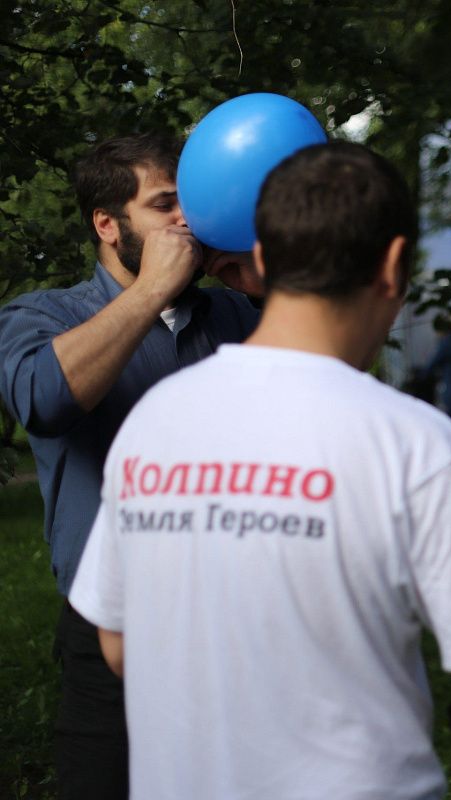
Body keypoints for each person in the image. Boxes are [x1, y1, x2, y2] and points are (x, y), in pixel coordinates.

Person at [66, 142, 451, 799]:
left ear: (264, 257)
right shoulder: (414, 443)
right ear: (392, 264)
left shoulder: (152, 420)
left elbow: (117, 644)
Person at [0, 133, 261, 799]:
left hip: (238, 619)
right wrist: (151, 292)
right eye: (165, 205)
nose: (186, 220)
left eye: (191, 203)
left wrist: (258, 282)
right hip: (111, 627)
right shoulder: (43, 315)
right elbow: (43, 400)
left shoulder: (235, 312)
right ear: (108, 225)